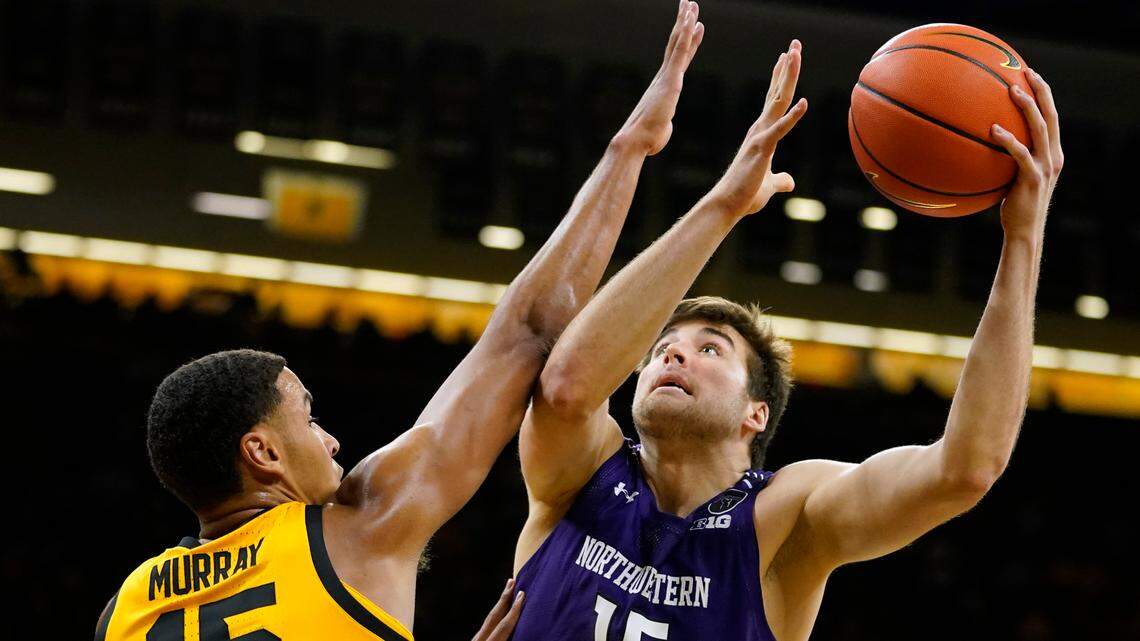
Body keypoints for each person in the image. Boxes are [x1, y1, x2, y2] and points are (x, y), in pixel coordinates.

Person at [92, 3, 709, 639]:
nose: (331, 440)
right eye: (307, 418)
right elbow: (528, 332)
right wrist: (628, 148)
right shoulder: (359, 527)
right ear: (263, 452)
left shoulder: (129, 608)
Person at [509, 17, 1063, 641]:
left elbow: (964, 469)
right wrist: (722, 206)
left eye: (708, 348)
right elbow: (566, 386)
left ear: (756, 412)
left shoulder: (787, 518)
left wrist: (1023, 237)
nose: (672, 357)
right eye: (662, 348)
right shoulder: (581, 476)